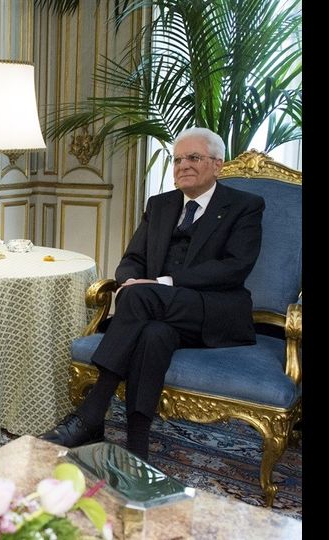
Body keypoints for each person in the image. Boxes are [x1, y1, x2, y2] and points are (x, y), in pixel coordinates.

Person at [39, 127, 265, 460]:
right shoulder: (160, 205)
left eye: (193, 158)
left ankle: (91, 414)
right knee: (153, 333)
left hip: (213, 311)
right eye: (177, 160)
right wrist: (130, 281)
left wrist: (163, 283)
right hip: (161, 315)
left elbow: (235, 267)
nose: (183, 165)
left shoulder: (244, 206)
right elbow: (132, 260)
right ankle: (138, 446)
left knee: (140, 298)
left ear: (217, 165)